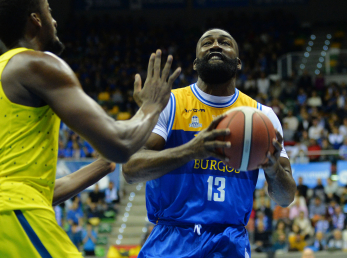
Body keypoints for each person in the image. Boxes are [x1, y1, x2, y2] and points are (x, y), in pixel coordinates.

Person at [0, 0, 180, 258]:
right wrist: (151, 108)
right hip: (10, 217)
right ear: (36, 20)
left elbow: (38, 190)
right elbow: (120, 143)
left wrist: (105, 164)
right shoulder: (37, 63)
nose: (55, 21)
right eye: (49, 11)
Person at [123, 28, 296, 257]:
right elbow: (130, 169)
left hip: (229, 241)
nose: (215, 45)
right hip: (172, 238)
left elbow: (286, 198)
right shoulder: (169, 103)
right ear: (195, 63)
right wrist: (191, 150)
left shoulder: (262, 117)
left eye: (224, 42)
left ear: (238, 63)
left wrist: (273, 168)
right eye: (207, 43)